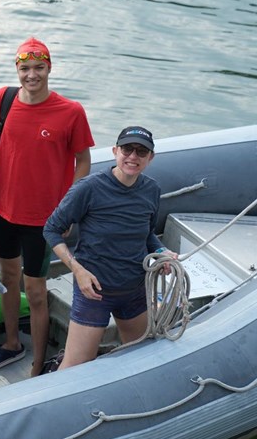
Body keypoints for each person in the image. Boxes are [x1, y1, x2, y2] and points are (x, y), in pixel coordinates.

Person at [0, 38, 94, 377]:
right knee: (8, 277)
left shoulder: (71, 111)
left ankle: (38, 367)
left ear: (49, 68)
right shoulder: (4, 99)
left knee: (36, 292)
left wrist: (69, 207)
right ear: (17, 69)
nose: (32, 75)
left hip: (44, 220)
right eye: (25, 68)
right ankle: (12, 343)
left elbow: (83, 160)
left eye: (39, 67)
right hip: (4, 212)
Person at [44, 126, 175, 369]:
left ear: (150, 157)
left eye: (141, 151)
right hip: (94, 291)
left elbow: (147, 235)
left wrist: (161, 253)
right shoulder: (88, 188)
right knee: (75, 366)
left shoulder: (151, 190)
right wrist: (78, 270)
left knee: (140, 355)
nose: (133, 156)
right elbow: (51, 229)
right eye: (127, 149)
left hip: (134, 290)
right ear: (115, 151)